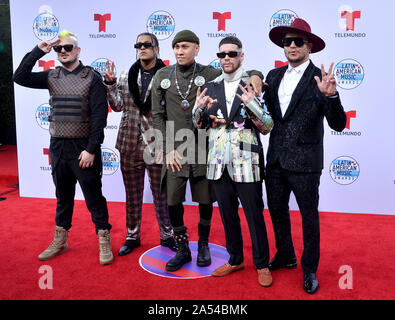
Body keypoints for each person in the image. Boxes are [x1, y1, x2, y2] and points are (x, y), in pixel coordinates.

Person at [151, 30, 263, 272]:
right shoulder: (162, 75)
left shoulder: (210, 73)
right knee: (173, 201)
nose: (180, 51)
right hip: (175, 150)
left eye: (185, 46)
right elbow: (157, 116)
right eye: (176, 47)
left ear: (197, 49)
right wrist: (166, 148)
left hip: (205, 149)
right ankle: (182, 248)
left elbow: (236, 71)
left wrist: (257, 75)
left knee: (205, 200)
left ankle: (202, 244)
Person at [13, 30, 114, 265]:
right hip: (58, 147)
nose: (63, 52)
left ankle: (103, 237)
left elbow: (100, 117)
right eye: (59, 49)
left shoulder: (92, 77)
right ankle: (61, 239)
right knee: (63, 196)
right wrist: (39, 51)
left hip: (84, 148)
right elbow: (19, 77)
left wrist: (91, 148)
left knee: (93, 197)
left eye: (68, 48)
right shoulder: (51, 76)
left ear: (78, 50)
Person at [264, 18, 347, 293]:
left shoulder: (320, 79)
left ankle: (309, 268)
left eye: (298, 41)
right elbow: (265, 118)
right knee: (277, 212)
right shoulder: (273, 76)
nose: (292, 46)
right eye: (287, 41)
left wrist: (331, 97)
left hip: (306, 163)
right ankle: (286, 254)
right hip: (275, 160)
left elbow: (338, 123)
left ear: (309, 46)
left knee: (309, 218)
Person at [192, 36, 274, 287]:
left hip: (247, 162)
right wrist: (197, 109)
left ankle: (262, 263)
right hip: (218, 162)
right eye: (222, 54)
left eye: (232, 53)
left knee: (254, 216)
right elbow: (200, 126)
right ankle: (235, 258)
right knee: (228, 216)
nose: (226, 58)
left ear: (241, 56)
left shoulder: (254, 84)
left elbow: (267, 126)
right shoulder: (211, 85)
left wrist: (254, 106)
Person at [103, 32, 176, 256]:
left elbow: (171, 112)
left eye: (147, 44)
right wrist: (110, 85)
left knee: (161, 194)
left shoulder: (168, 76)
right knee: (132, 195)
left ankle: (167, 235)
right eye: (139, 45)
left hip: (157, 144)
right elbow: (116, 106)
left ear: (157, 49)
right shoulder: (126, 74)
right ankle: (132, 235)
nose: (142, 48)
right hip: (128, 143)